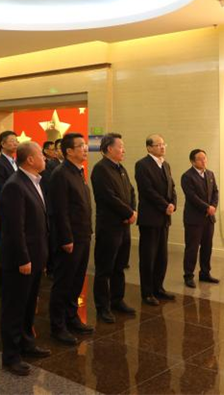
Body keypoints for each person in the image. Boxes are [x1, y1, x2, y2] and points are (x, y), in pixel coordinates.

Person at [0, 142, 51, 376]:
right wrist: (23, 258)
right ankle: (11, 356)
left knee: (29, 304)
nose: (45, 158)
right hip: (20, 259)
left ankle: (27, 343)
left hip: (35, 255)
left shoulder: (34, 181)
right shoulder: (15, 185)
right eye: (41, 154)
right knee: (15, 307)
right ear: (30, 159)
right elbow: (14, 228)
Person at [48, 133, 94, 345]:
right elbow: (60, 210)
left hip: (83, 235)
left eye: (85, 145)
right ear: (69, 151)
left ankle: (71, 316)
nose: (85, 149)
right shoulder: (61, 174)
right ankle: (58, 326)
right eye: (81, 146)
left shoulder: (78, 171)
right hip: (70, 238)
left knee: (76, 280)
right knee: (64, 282)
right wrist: (66, 238)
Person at [91, 132, 137, 324]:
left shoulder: (121, 168)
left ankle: (117, 300)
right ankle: (102, 307)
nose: (123, 150)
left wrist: (133, 211)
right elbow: (108, 197)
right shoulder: (100, 169)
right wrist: (128, 213)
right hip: (109, 226)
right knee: (104, 268)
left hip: (124, 226)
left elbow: (131, 191)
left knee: (120, 266)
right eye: (120, 147)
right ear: (109, 149)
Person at [135, 134, 177, 306]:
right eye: (158, 144)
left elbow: (172, 187)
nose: (162, 147)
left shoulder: (165, 164)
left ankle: (158, 287)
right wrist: (165, 205)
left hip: (164, 217)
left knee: (162, 256)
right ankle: (147, 292)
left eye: (163, 144)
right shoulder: (142, 165)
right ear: (149, 147)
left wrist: (173, 204)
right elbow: (147, 190)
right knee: (148, 256)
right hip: (150, 217)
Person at [180, 149, 219, 288]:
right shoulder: (187, 176)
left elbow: (215, 192)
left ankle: (205, 273)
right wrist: (206, 207)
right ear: (192, 161)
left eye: (205, 158)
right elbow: (192, 197)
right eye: (200, 159)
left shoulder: (210, 174)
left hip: (209, 218)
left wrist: (213, 206)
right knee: (192, 248)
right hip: (194, 219)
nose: (203, 161)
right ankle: (188, 275)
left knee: (207, 247)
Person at [0, 130, 18, 293]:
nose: (16, 143)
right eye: (12, 141)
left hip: (16, 210)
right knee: (2, 244)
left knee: (13, 243)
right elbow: (3, 189)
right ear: (2, 144)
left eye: (16, 141)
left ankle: (11, 274)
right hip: (4, 211)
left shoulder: (16, 162)